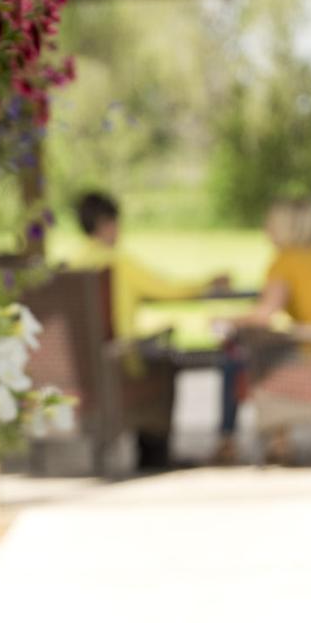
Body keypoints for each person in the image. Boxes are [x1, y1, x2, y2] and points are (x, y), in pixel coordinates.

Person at [67, 192, 228, 467]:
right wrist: (208, 284)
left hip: (81, 368)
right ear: (107, 223)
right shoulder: (118, 263)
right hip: (120, 364)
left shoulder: (72, 266)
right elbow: (168, 290)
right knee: (165, 360)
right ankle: (155, 454)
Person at [213, 197, 311, 464]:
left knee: (235, 357)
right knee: (270, 351)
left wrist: (226, 321)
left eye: (269, 223)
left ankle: (229, 441)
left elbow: (265, 314)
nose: (265, 229)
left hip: (310, 354)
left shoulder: (285, 261)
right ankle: (279, 439)